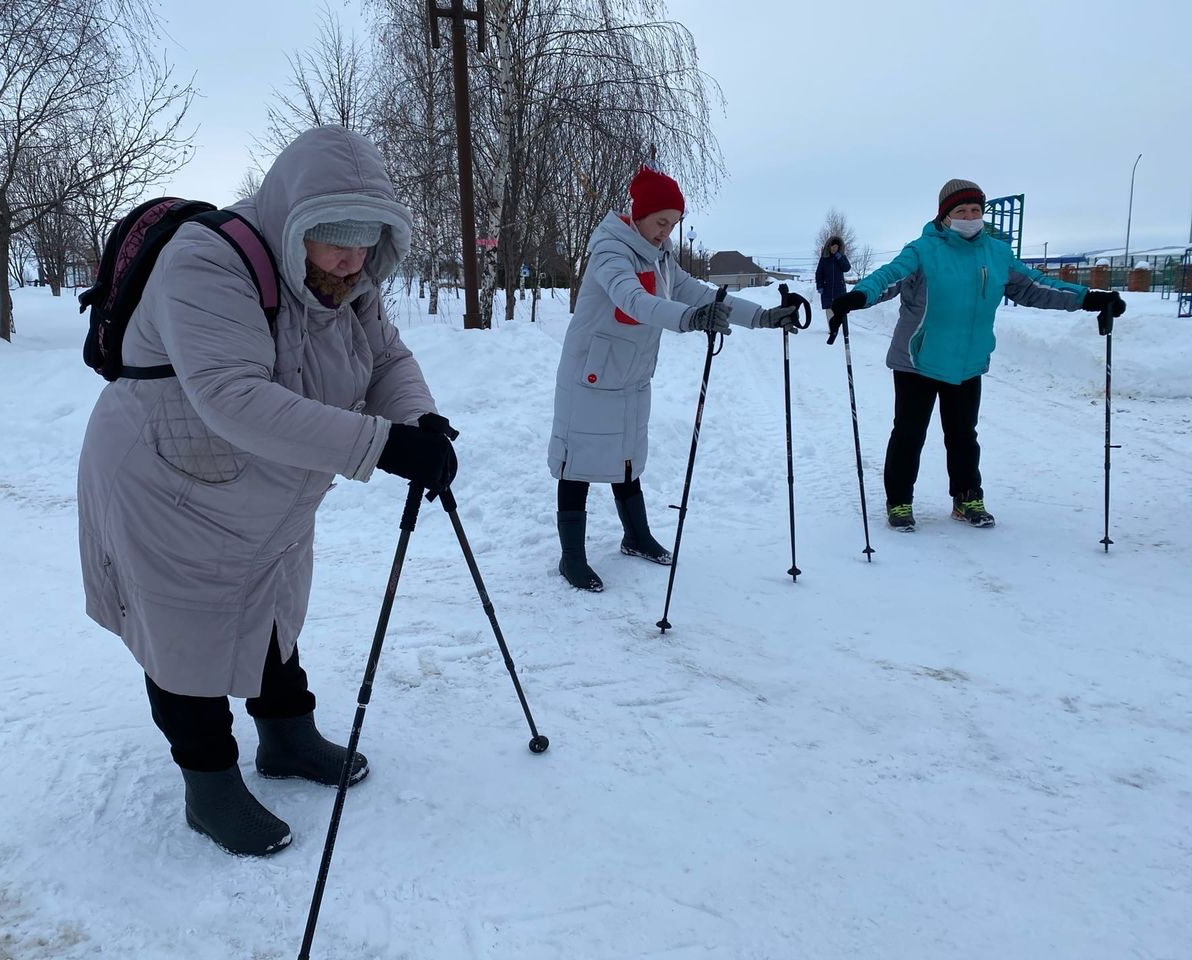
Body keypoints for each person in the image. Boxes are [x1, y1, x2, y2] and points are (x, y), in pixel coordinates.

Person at [77, 126, 458, 857]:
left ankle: (285, 734)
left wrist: (418, 418)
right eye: (333, 237)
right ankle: (209, 785)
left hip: (264, 488)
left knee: (270, 609)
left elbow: (385, 357)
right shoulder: (206, 262)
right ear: (292, 219)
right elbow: (232, 395)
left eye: (367, 239)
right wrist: (383, 446)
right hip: (165, 480)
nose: (352, 258)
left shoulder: (348, 281)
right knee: (186, 633)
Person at [547, 164, 802, 591]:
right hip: (590, 376)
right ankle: (571, 557)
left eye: (673, 224)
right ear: (639, 215)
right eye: (661, 222)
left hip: (629, 375)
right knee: (578, 465)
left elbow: (702, 293)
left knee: (627, 457)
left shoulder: (660, 257)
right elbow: (635, 299)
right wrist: (690, 320)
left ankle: (636, 536)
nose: (666, 231)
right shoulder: (610, 252)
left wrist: (761, 317)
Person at [829, 178, 1125, 532]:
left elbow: (1035, 287)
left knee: (963, 434)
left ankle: (967, 496)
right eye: (961, 210)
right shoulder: (922, 250)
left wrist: (1088, 298)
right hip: (916, 359)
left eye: (975, 210)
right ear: (945, 216)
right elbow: (887, 278)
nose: (970, 216)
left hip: (968, 360)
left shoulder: (997, 253)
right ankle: (900, 502)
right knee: (909, 433)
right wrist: (857, 297)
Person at [815, 236, 851, 321]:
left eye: (836, 247)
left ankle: (840, 326)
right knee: (829, 309)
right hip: (827, 289)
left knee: (840, 308)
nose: (834, 248)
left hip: (839, 289)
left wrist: (840, 258)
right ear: (829, 246)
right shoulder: (824, 259)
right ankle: (832, 328)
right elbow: (819, 273)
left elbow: (847, 268)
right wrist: (819, 286)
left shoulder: (842, 257)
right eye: (832, 246)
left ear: (839, 247)